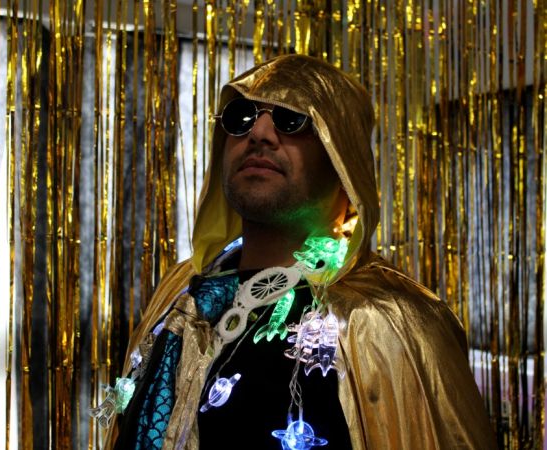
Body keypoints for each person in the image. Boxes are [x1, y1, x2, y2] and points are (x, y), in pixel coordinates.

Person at [99, 54, 496, 449]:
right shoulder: (182, 292)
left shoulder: (386, 319)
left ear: (342, 158)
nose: (260, 133)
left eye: (292, 118)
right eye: (241, 116)